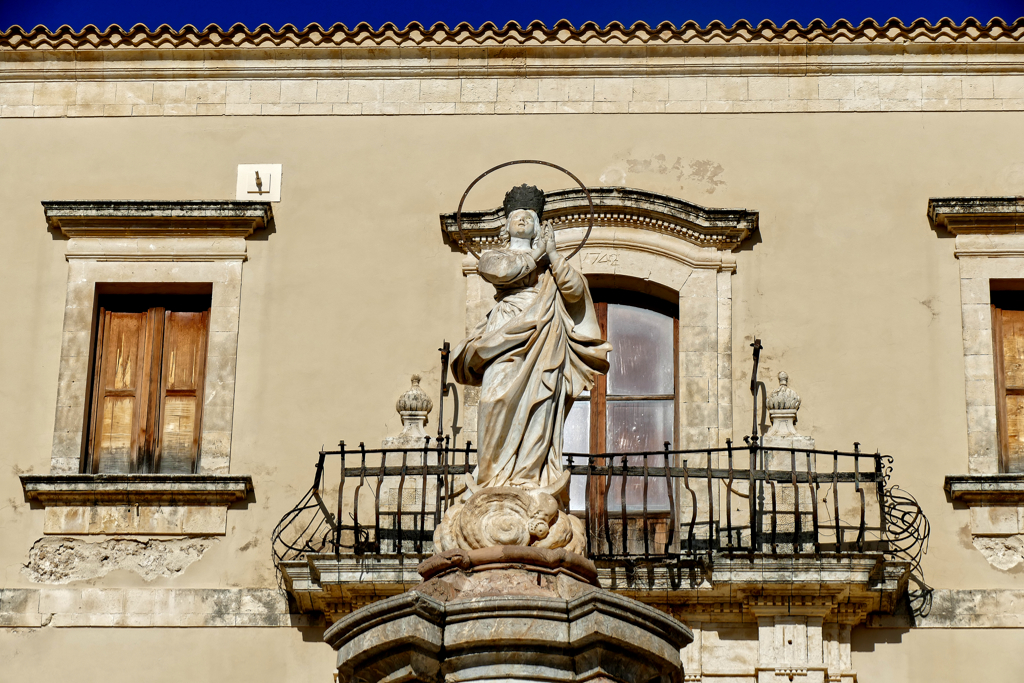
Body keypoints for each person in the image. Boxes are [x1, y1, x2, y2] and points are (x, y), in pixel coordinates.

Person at [452, 184, 611, 495]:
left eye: (528, 216)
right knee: (493, 399)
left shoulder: (551, 268)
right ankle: (490, 477)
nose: (521, 220)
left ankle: (528, 476)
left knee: (540, 405)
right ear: (505, 225)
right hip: (504, 334)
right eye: (515, 216)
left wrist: (551, 254)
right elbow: (502, 272)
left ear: (540, 225)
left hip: (545, 340)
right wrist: (538, 254)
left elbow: (575, 291)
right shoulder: (493, 256)